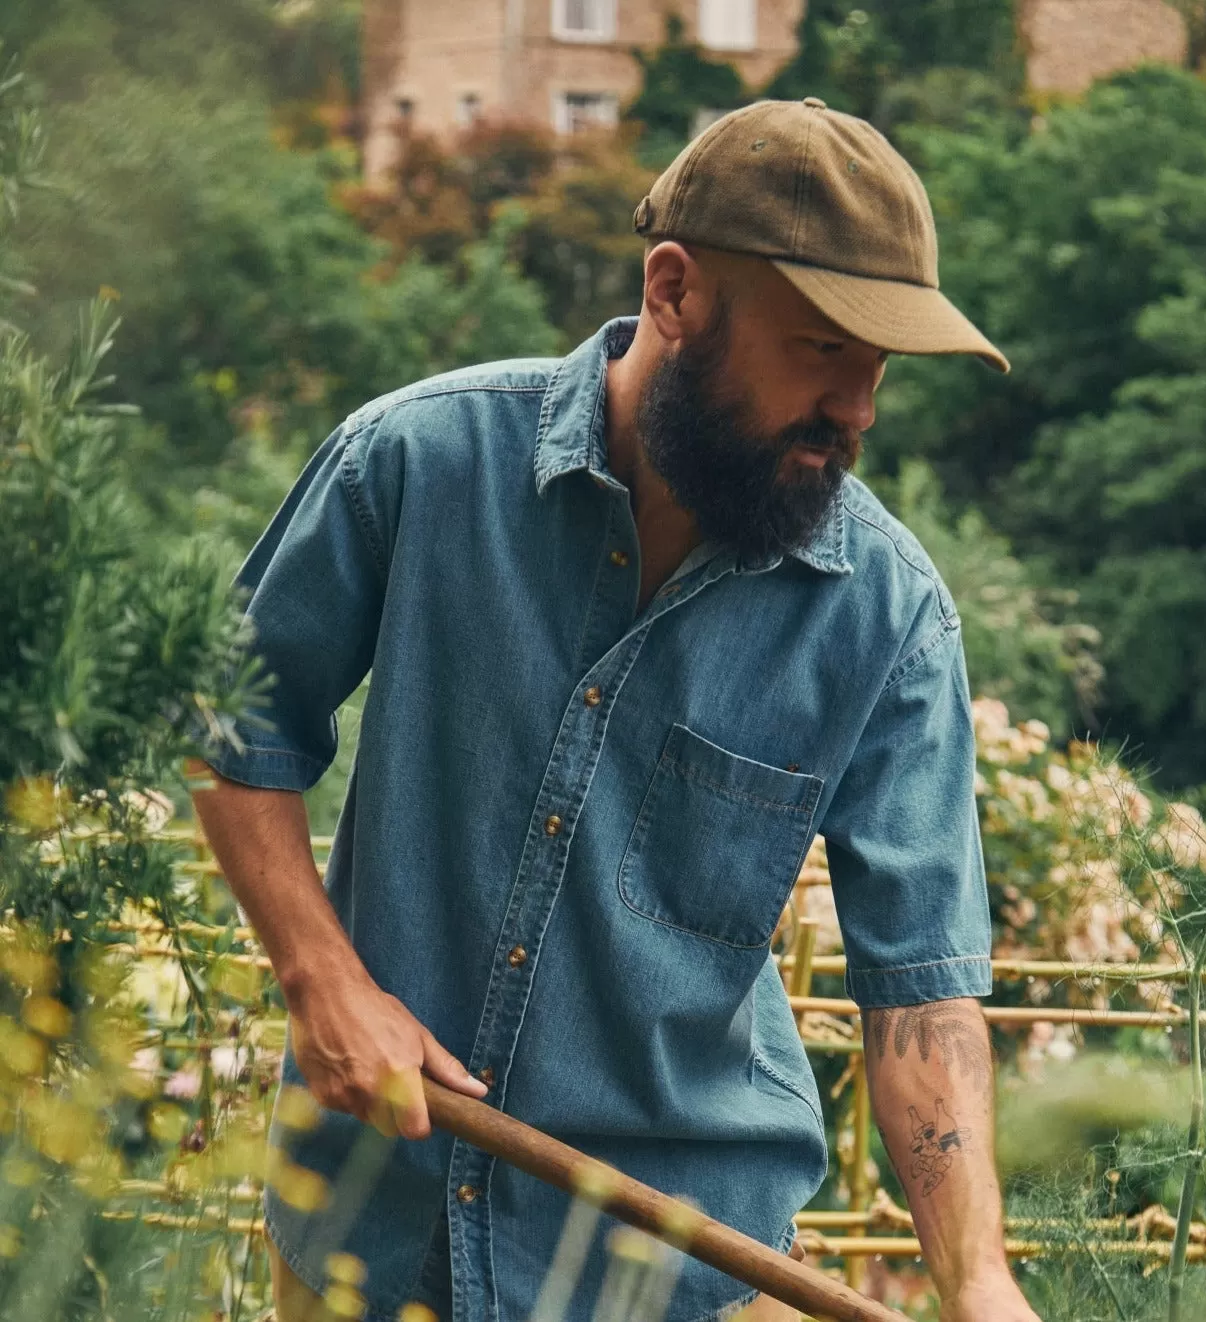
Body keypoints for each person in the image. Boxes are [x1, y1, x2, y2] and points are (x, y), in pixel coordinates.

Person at [192, 98, 1041, 1322]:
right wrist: (320, 978)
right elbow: (235, 730)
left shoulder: (890, 617)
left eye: (878, 365)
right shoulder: (414, 463)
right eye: (819, 347)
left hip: (680, 1269)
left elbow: (919, 990)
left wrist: (974, 1277)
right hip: (370, 1231)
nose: (856, 406)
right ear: (674, 290)